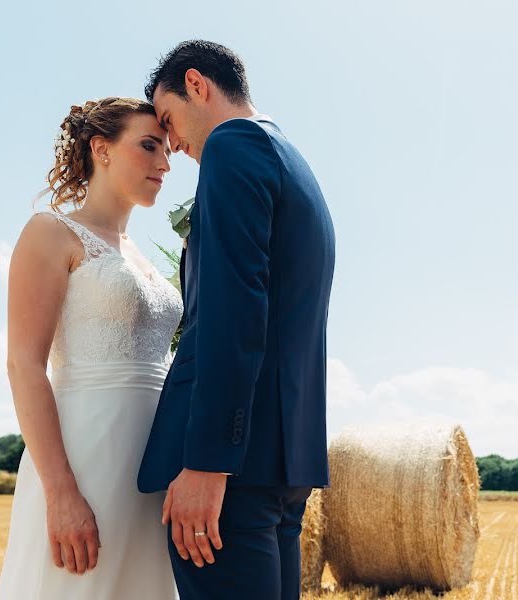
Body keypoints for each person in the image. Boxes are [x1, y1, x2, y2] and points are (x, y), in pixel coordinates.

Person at [137, 40, 336, 600]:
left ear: (197, 84)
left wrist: (207, 461)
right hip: (284, 456)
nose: (172, 145)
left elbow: (233, 310)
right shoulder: (290, 157)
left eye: (170, 120)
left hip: (233, 466)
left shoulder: (233, 144)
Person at [0, 97, 181, 599]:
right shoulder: (51, 233)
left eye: (167, 150)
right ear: (101, 149)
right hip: (86, 459)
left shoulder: (141, 255)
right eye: (148, 146)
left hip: (152, 468)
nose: (164, 163)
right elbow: (24, 366)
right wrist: (61, 493)